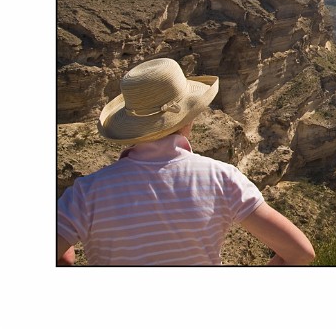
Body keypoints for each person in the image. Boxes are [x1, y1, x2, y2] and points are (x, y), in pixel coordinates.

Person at [56, 57, 315, 266]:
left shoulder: (86, 192)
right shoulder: (223, 177)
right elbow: (301, 253)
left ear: (131, 126)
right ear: (188, 117)